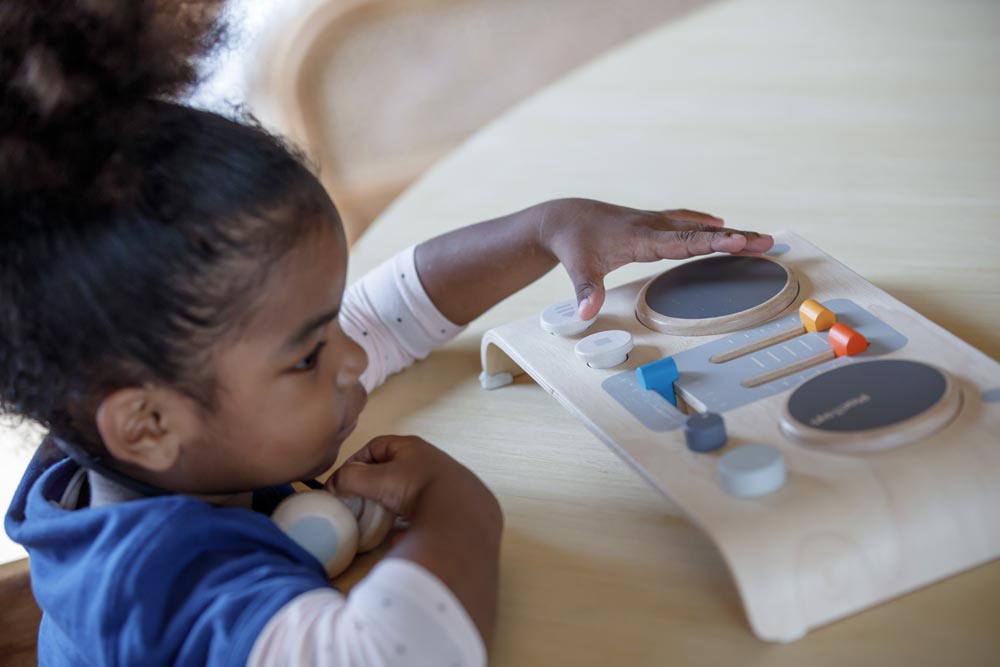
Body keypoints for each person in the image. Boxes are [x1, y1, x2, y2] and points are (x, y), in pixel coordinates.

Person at [0, 1, 773, 665]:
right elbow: (404, 650)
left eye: (329, 328)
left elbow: (385, 309)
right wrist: (454, 502)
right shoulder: (163, 587)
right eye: (310, 355)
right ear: (149, 422)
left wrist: (542, 230)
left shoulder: (129, 435)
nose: (358, 355)